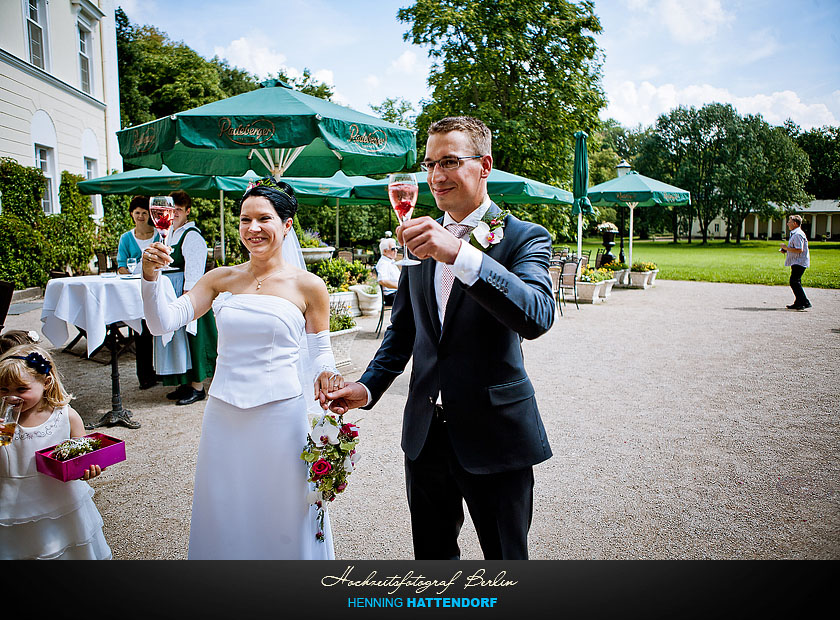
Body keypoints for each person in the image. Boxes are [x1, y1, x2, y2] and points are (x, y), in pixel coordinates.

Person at [327, 116, 555, 560]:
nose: (435, 176)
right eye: (429, 164)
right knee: (432, 561)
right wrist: (369, 385)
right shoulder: (418, 239)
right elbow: (405, 331)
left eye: (449, 161)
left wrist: (459, 253)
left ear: (484, 165)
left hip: (495, 432)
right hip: (425, 435)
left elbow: (537, 315)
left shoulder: (524, 237)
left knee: (506, 560)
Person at [141, 178, 343, 560]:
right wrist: (150, 278)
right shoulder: (221, 278)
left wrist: (327, 375)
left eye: (264, 219)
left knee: (284, 503)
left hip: (281, 413)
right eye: (244, 219)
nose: (253, 229)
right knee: (225, 500)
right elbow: (162, 322)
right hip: (224, 412)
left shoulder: (309, 286)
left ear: (286, 225)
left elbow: (321, 351)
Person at [0, 344, 111, 560]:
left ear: (46, 382)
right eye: (4, 390)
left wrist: (90, 468)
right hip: (13, 503)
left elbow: (82, 455)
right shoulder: (4, 421)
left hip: (60, 500)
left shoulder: (65, 417)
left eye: (21, 389)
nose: (12, 397)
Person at [153, 190, 218, 405]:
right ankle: (184, 382)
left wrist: (188, 297)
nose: (175, 214)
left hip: (188, 292)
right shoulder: (169, 233)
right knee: (178, 341)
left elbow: (195, 270)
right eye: (172, 210)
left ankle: (198, 387)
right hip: (170, 291)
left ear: (187, 211)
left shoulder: (192, 236)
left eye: (179, 210)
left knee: (193, 340)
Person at [116, 196, 161, 390]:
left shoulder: (159, 234)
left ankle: (162, 372)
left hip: (156, 286)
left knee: (159, 329)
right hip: (135, 291)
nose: (141, 216)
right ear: (131, 215)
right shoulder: (126, 238)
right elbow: (121, 265)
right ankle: (144, 376)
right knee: (141, 332)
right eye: (137, 213)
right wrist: (134, 273)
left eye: (144, 212)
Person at [780, 214, 812, 310]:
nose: (787, 223)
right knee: (795, 281)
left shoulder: (798, 234)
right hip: (796, 261)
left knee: (794, 281)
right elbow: (795, 247)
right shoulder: (794, 233)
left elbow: (799, 249)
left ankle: (805, 302)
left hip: (800, 261)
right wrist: (786, 250)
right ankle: (799, 302)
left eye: (789, 222)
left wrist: (786, 248)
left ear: (795, 223)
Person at [375, 236, 401, 305]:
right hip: (392, 296)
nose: (396, 250)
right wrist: (400, 286)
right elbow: (382, 280)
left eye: (396, 248)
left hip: (396, 294)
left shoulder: (390, 261)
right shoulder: (383, 263)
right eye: (393, 249)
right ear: (385, 251)